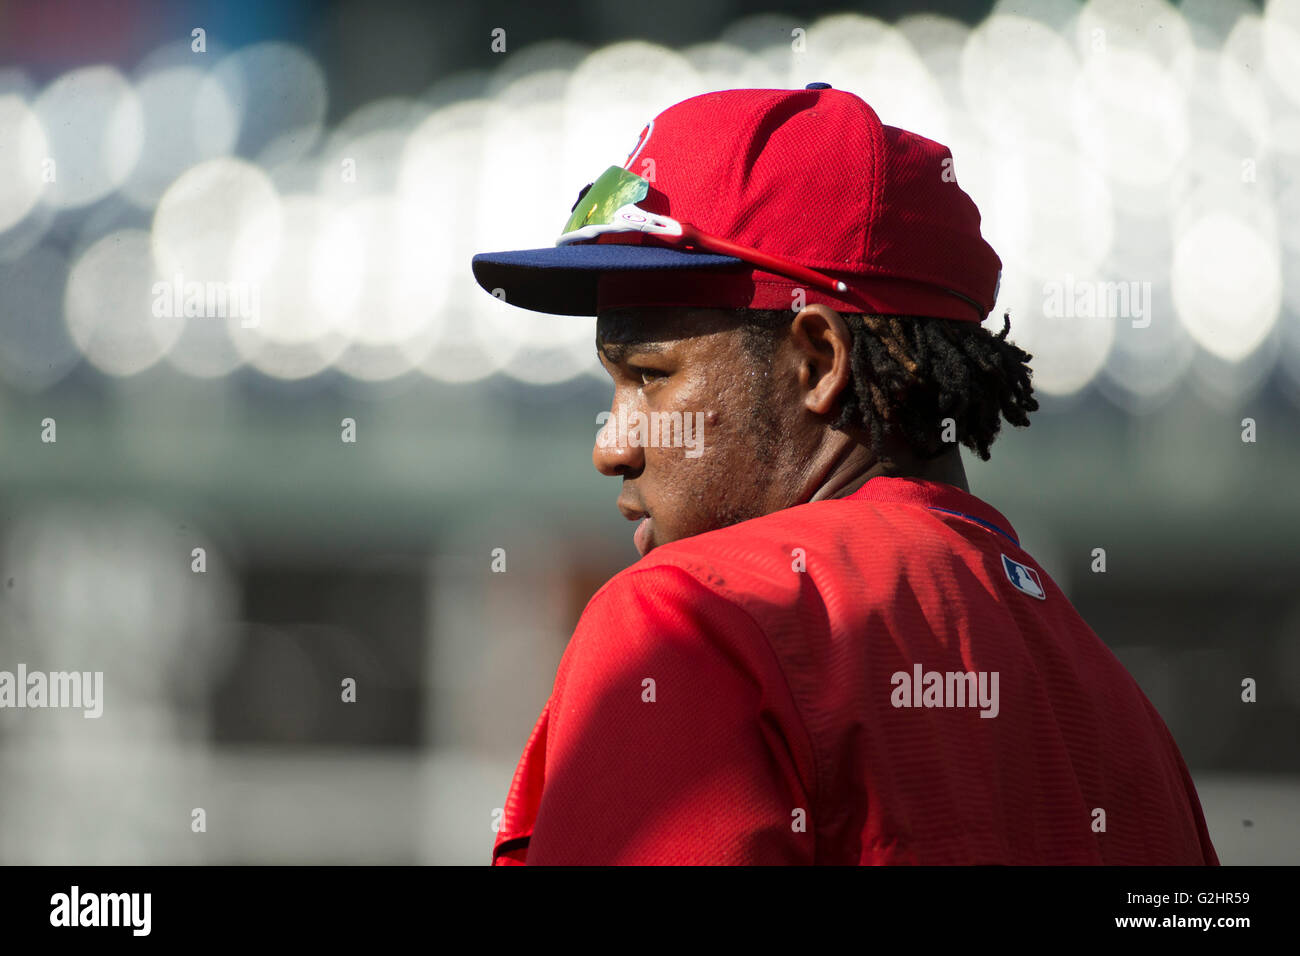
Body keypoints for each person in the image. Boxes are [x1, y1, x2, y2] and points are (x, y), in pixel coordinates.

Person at [471, 85, 1219, 865]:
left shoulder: (691, 617)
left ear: (818, 361)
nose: (612, 446)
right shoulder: (1115, 707)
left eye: (651, 377)